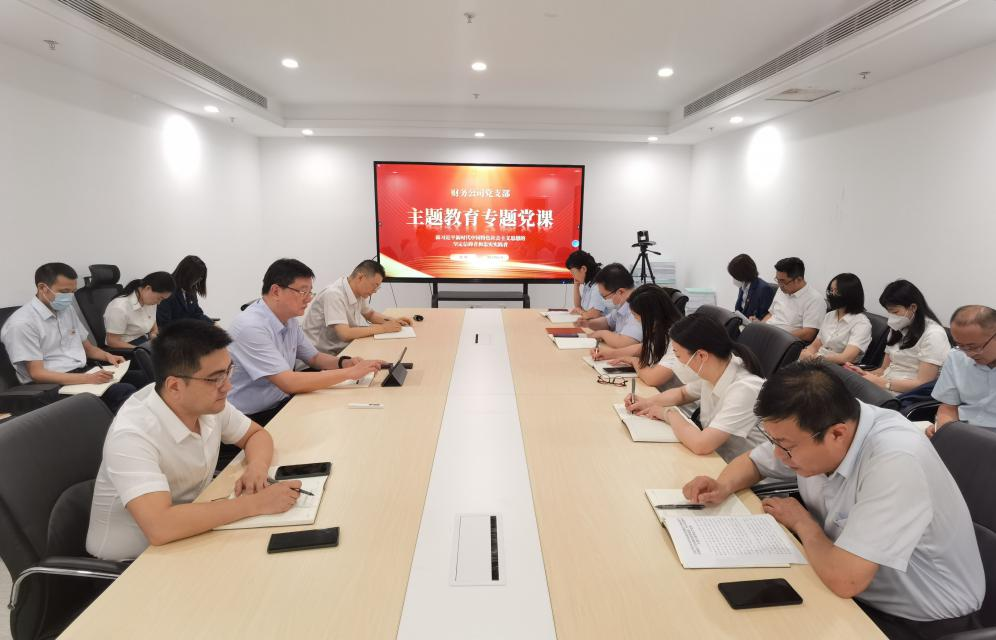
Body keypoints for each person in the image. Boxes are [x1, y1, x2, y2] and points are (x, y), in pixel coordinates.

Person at [683, 361, 984, 639]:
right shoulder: (823, 422)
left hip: (918, 619)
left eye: (785, 447)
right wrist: (722, 485)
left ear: (837, 434)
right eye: (774, 442)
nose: (778, 455)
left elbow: (846, 580)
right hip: (843, 582)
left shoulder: (896, 459)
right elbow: (755, 462)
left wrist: (802, 522)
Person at [86, 321, 303, 561]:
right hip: (132, 562)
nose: (228, 386)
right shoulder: (132, 435)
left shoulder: (204, 403)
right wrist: (256, 503)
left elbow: (255, 435)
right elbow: (160, 526)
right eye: (216, 378)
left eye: (228, 371)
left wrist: (257, 468)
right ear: (175, 386)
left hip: (190, 533)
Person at [228, 258, 383, 425]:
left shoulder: (289, 319)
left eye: (310, 292)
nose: (309, 299)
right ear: (276, 291)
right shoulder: (251, 327)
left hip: (282, 402)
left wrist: (346, 363)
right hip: (252, 417)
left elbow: (314, 357)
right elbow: (289, 383)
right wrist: (350, 373)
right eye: (303, 292)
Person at [625, 314, 767, 461]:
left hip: (736, 465)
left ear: (701, 356)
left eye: (678, 356)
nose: (677, 362)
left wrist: (668, 413)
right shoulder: (717, 368)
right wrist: (647, 402)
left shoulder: (744, 389)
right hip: (716, 456)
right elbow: (682, 393)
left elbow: (701, 444)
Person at [1, 262, 135, 413]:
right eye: (64, 292)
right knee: (123, 392)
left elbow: (88, 349)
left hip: (82, 372)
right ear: (42, 288)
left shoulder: (66, 310)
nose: (69, 297)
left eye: (73, 292)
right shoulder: (22, 323)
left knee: (139, 378)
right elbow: (37, 374)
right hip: (51, 385)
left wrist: (108, 356)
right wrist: (88, 379)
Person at [847, 280, 949, 395]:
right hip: (886, 386)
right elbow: (884, 369)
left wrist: (884, 383)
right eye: (889, 312)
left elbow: (923, 384)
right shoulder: (897, 328)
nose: (892, 317)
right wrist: (864, 374)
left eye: (895, 312)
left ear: (913, 307)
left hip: (908, 395)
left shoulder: (934, 334)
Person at [302, 260, 413, 355]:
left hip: (339, 350)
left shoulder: (358, 292)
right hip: (318, 357)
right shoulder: (334, 294)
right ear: (360, 277)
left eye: (378, 288)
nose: (375, 291)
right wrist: (384, 328)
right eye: (374, 285)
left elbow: (370, 314)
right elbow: (345, 334)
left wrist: (394, 321)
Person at [926, 305, 996, 437]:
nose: (969, 354)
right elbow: (948, 407)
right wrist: (944, 429)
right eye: (961, 346)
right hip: (965, 430)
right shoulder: (956, 357)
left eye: (974, 347)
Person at [594, 284, 682, 389]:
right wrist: (611, 354)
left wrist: (634, 361)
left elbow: (652, 379)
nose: (637, 321)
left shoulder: (678, 340)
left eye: (636, 316)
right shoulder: (663, 329)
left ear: (652, 315)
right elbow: (645, 347)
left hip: (671, 395)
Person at [799, 273, 872, 365]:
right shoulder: (829, 316)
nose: (832, 294)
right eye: (831, 290)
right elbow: (815, 345)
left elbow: (846, 358)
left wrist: (814, 358)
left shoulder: (861, 323)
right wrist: (807, 353)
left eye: (836, 292)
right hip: (816, 361)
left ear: (850, 295)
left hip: (836, 367)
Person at [575, 263, 641, 349]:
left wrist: (602, 333)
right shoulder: (622, 305)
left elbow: (625, 342)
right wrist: (588, 324)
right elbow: (608, 322)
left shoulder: (637, 308)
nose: (603, 300)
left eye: (604, 296)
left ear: (620, 292)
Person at [104, 271, 174, 349]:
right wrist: (141, 350)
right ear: (148, 288)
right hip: (124, 348)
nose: (159, 303)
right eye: (159, 298)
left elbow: (153, 326)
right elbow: (112, 342)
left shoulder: (150, 301)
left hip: (142, 341)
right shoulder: (119, 307)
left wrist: (154, 336)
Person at [762, 257, 823, 342]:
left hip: (784, 341)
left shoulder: (815, 299)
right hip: (767, 334)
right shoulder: (782, 289)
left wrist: (776, 336)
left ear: (799, 279)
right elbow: (771, 314)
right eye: (777, 280)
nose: (780, 285)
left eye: (783, 281)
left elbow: (809, 333)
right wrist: (760, 327)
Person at [157, 255, 212, 329]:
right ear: (188, 275)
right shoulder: (167, 288)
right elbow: (164, 323)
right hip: (172, 333)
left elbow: (197, 314)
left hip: (186, 332)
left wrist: (213, 324)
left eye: (200, 278)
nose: (198, 281)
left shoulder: (191, 290)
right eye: (198, 278)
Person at [728, 254, 775, 321]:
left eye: (735, 275)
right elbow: (739, 309)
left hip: (754, 325)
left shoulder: (764, 289)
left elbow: (765, 317)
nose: (734, 278)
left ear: (743, 273)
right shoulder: (743, 286)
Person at [565, 250, 607, 320]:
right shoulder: (588, 283)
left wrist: (580, 311)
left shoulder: (598, 285)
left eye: (573, 273)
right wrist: (576, 286)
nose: (573, 276)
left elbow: (594, 315)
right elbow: (578, 307)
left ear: (583, 269)